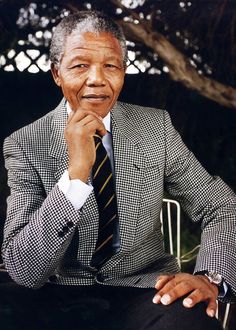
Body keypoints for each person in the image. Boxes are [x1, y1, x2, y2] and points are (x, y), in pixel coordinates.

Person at [1, 10, 236, 330]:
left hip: (143, 291)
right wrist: (76, 174)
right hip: (54, 293)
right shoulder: (26, 143)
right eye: (80, 65)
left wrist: (210, 277)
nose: (97, 78)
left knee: (190, 320)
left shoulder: (156, 128)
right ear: (57, 73)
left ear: (123, 71)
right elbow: (26, 271)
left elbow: (220, 204)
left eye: (110, 65)